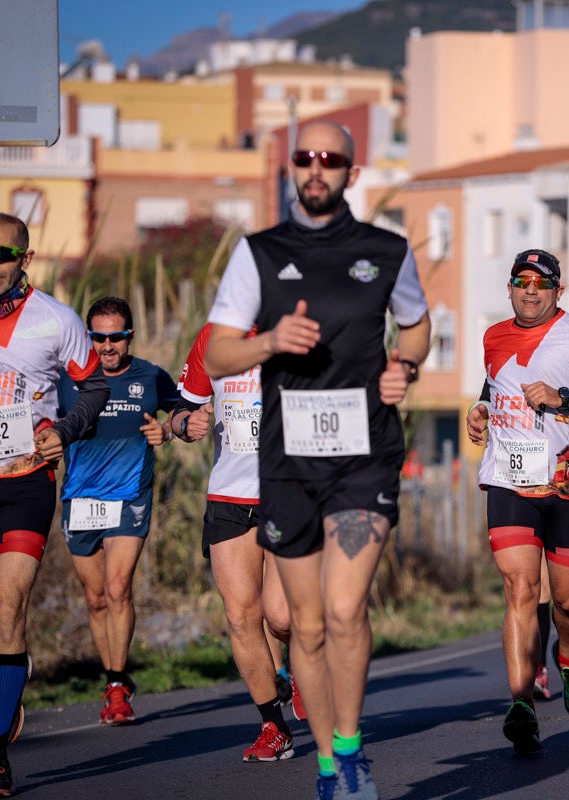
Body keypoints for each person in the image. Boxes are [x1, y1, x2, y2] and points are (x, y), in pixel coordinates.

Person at [203, 119, 431, 800]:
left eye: (331, 159)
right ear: (291, 168)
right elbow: (218, 353)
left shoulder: (386, 251)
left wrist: (406, 365)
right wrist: (269, 339)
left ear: (351, 174)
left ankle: (354, 752)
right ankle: (330, 765)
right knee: (302, 623)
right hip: (288, 462)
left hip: (364, 454)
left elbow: (417, 324)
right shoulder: (259, 254)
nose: (316, 167)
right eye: (305, 157)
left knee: (342, 607)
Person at [0, 212, 109, 798]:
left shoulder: (56, 320)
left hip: (26, 479)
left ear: (25, 258)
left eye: (2, 254)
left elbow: (95, 386)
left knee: (8, 611)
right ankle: (12, 672)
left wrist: (67, 429)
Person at [466, 248, 569, 754]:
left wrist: (565, 398)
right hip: (511, 477)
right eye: (521, 281)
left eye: (541, 283)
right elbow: (497, 384)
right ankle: (521, 702)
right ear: (510, 287)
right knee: (519, 588)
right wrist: (480, 408)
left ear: (559, 290)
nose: (530, 290)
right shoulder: (493, 336)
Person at [169, 321, 300, 762]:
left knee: (280, 616)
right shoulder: (212, 335)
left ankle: (302, 666)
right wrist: (187, 422)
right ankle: (273, 726)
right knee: (242, 615)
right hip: (229, 495)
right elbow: (179, 411)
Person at [56, 297, 179, 725]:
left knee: (118, 588)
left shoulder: (150, 376)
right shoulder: (67, 379)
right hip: (80, 497)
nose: (107, 346)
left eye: (116, 337)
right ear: (87, 336)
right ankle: (115, 681)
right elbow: (41, 420)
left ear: (130, 337)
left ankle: (115, 686)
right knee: (94, 598)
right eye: (98, 337)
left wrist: (166, 428)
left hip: (129, 496)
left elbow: (184, 410)